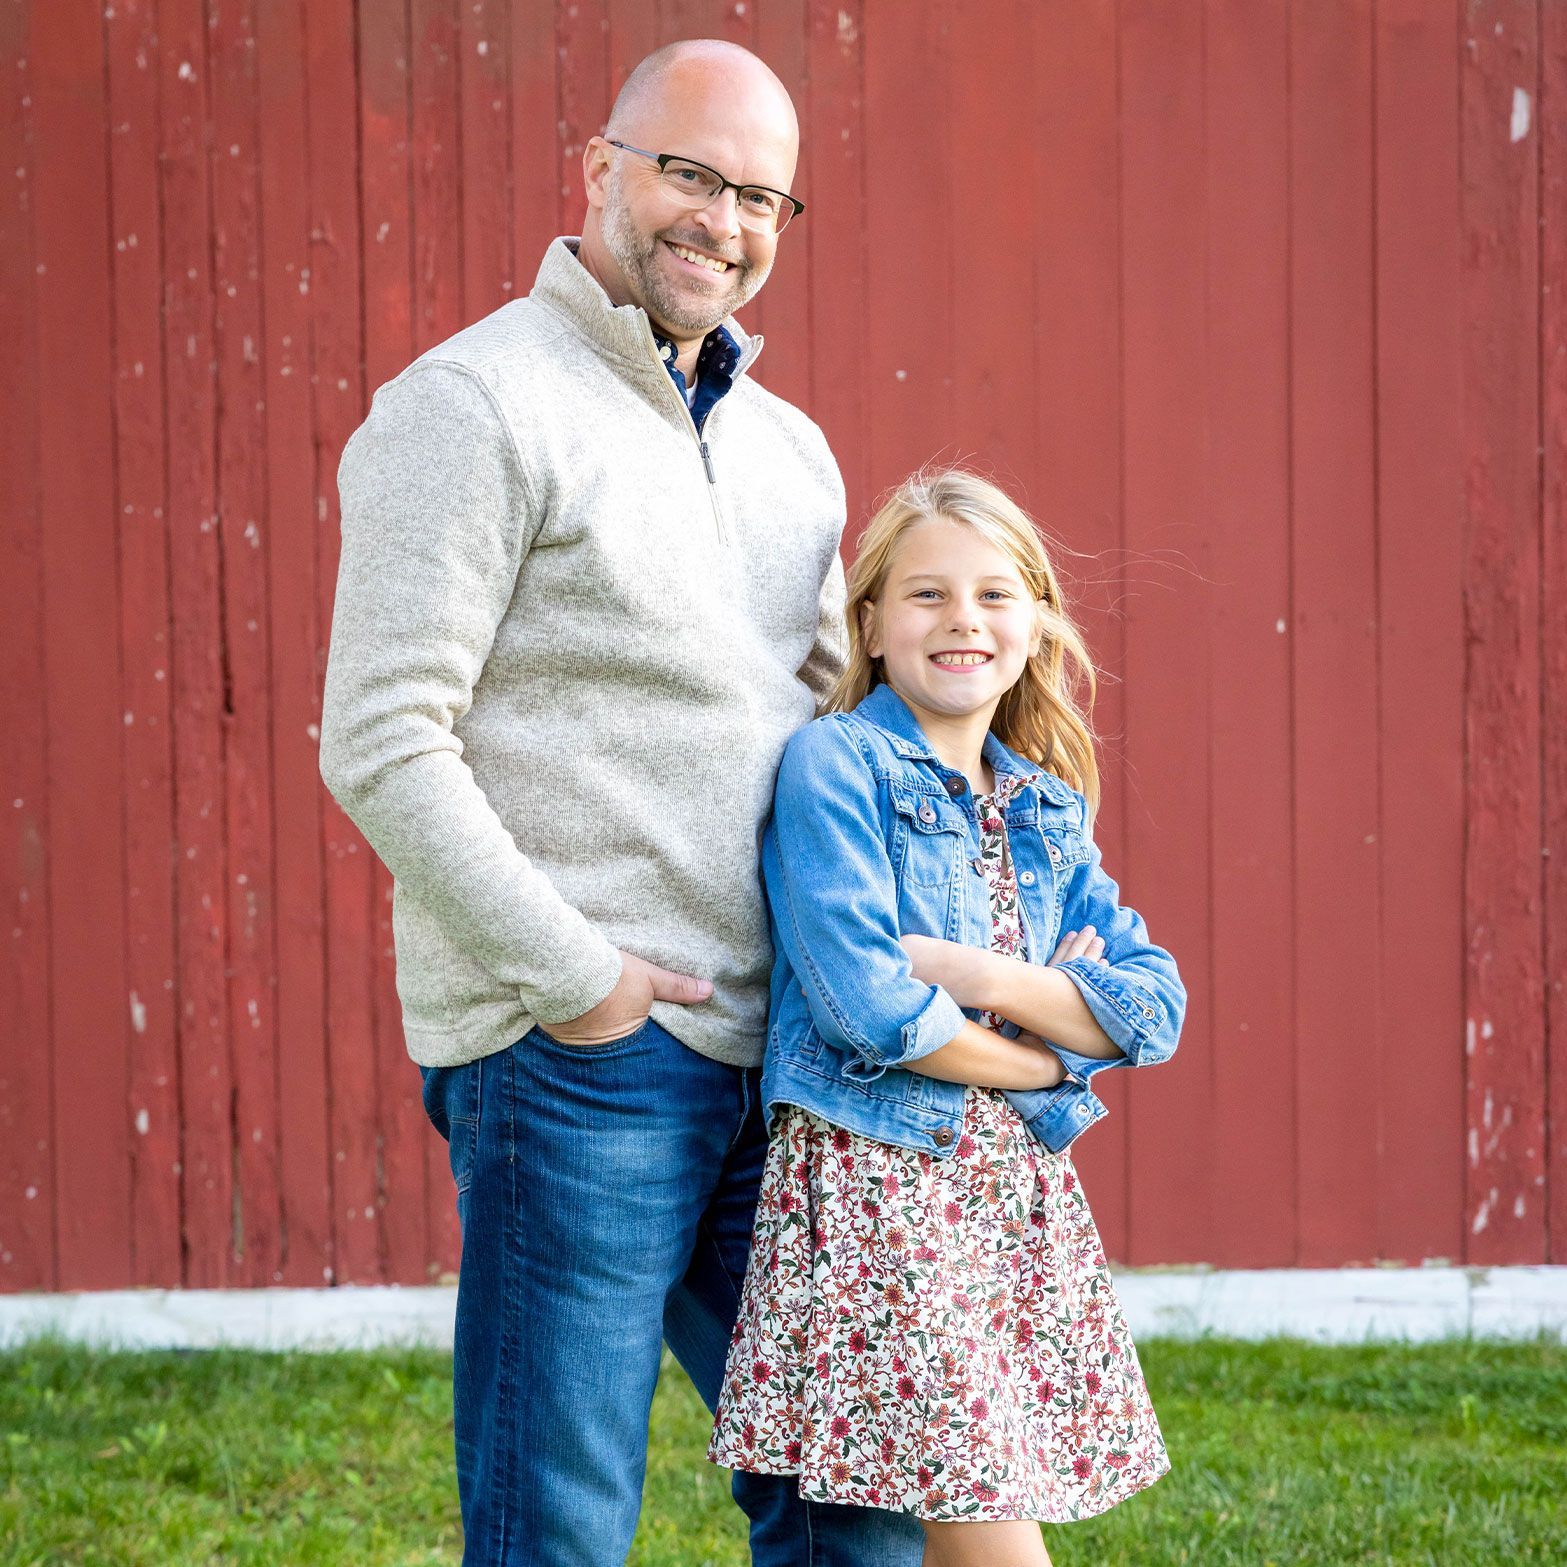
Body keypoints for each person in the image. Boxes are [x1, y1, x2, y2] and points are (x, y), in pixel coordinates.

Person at [319, 37, 925, 1567]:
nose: (722, 221)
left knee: (851, 1492)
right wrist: (578, 979)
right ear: (596, 164)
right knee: (557, 1520)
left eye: (761, 196)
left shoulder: (792, 453)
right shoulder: (470, 405)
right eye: (688, 173)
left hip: (785, 1056)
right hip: (583, 1059)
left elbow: (829, 725)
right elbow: (382, 737)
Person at [708, 470, 1186, 1567]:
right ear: (868, 626)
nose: (961, 619)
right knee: (984, 1516)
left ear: (1036, 625)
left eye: (994, 594)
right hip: (883, 1191)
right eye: (925, 595)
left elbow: (1151, 1008)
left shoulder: (1046, 804)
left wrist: (975, 972)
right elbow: (869, 1006)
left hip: (1006, 1202)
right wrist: (1044, 1058)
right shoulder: (838, 765)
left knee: (975, 1491)